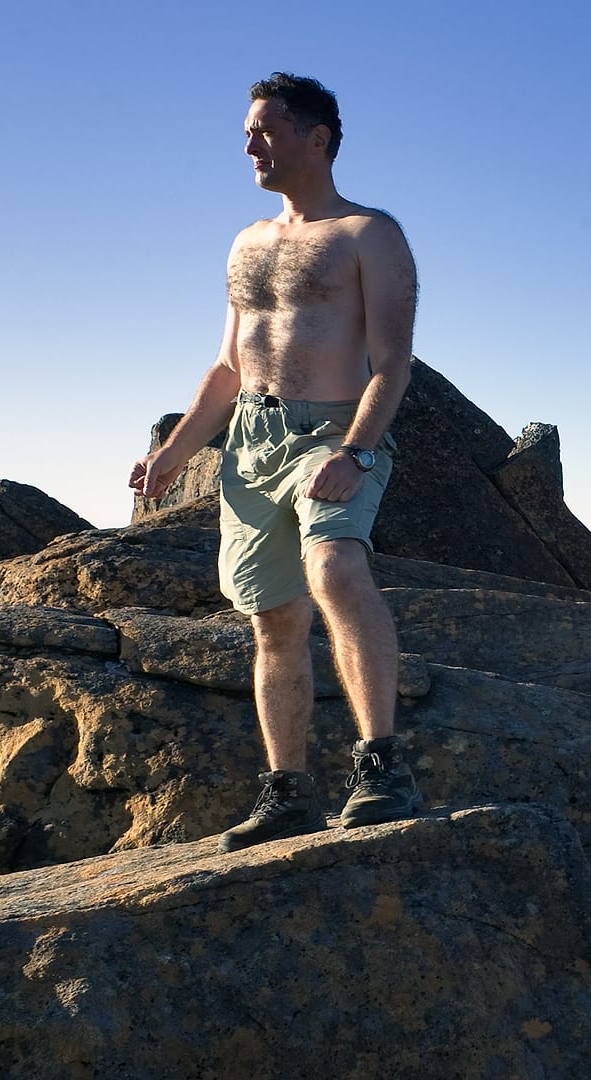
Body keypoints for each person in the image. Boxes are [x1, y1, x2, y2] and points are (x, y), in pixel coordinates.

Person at [129, 72, 421, 851]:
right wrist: (172, 454)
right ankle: (287, 789)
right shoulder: (246, 243)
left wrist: (356, 450)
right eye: (248, 131)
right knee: (273, 620)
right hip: (251, 444)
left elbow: (393, 364)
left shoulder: (369, 233)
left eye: (264, 129)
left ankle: (383, 767)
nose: (249, 143)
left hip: (333, 432)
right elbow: (226, 366)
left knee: (335, 570)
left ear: (317, 137)